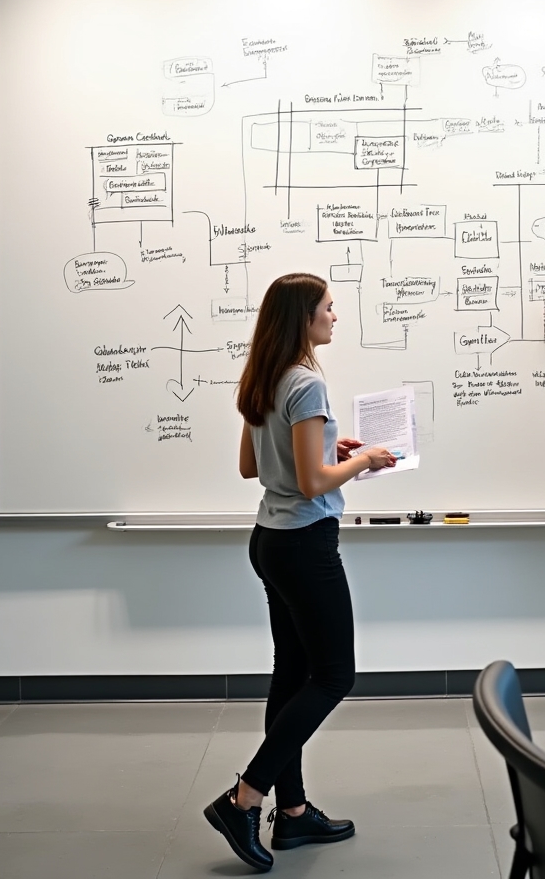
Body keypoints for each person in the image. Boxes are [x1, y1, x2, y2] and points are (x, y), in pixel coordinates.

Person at [204, 272, 394, 872]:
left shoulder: (264, 375)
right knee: (335, 675)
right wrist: (365, 459)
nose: (335, 316)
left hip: (269, 540)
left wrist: (329, 451)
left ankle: (292, 813)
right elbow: (312, 484)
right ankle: (245, 797)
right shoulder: (307, 382)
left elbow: (250, 465)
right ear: (303, 318)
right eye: (328, 308)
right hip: (306, 545)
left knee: (291, 674)